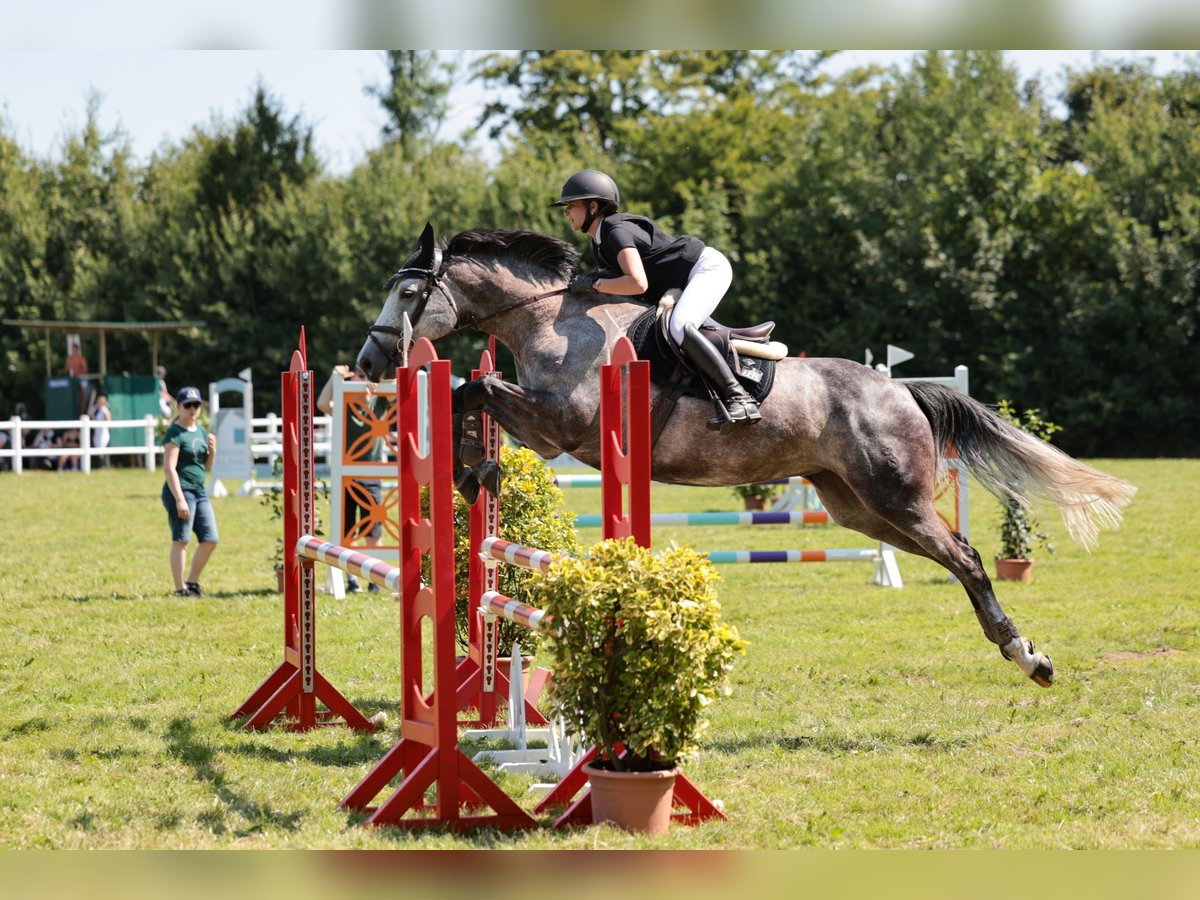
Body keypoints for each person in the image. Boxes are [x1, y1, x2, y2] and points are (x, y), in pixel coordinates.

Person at [552, 169, 761, 433]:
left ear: (593, 206)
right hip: (685, 282)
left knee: (679, 326)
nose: (566, 212)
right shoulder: (600, 241)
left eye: (571, 205)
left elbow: (637, 283)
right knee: (677, 328)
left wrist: (593, 283)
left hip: (706, 269)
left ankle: (739, 398)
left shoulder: (615, 231)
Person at [317, 364, 385, 594]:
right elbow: (323, 404)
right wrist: (334, 376)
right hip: (347, 476)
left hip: (372, 475)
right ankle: (353, 580)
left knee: (372, 533)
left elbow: (401, 387)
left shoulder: (380, 402)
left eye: (365, 376)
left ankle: (374, 580)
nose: (361, 380)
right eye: (358, 375)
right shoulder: (346, 406)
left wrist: (378, 385)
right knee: (347, 532)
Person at [162, 386, 218, 596]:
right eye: (188, 405)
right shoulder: (174, 433)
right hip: (181, 491)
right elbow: (169, 468)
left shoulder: (201, 431)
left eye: (196, 405)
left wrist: (213, 450)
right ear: (179, 406)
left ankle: (192, 582)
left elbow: (207, 466)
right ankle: (179, 588)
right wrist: (179, 499)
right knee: (182, 539)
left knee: (210, 539)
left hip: (199, 491)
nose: (193, 409)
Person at [90, 395, 112, 468]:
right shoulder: (95, 409)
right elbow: (91, 416)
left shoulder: (104, 409)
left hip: (103, 432)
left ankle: (104, 465)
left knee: (103, 447)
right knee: (97, 447)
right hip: (97, 432)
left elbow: (108, 420)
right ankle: (99, 465)